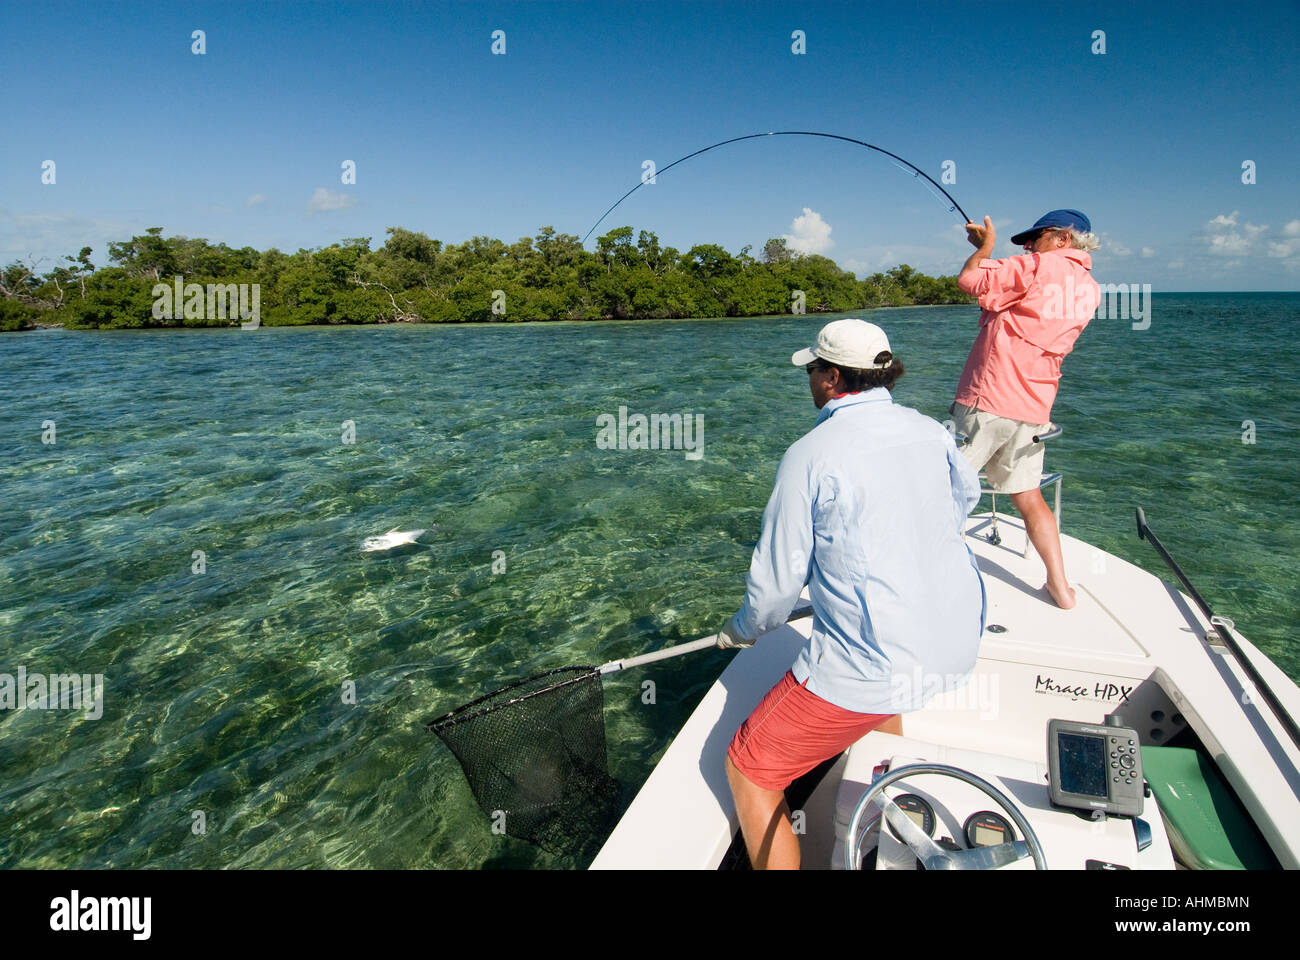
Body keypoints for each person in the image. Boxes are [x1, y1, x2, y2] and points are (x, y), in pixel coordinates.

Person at [717, 318, 986, 870]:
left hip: (873, 666)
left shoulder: (809, 454)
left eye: (813, 368)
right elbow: (965, 503)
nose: (810, 378)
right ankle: (881, 782)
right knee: (879, 696)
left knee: (750, 767)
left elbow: (774, 591)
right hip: (955, 648)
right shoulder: (930, 430)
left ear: (832, 377)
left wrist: (739, 631)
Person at [952, 210, 1101, 609]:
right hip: (1034, 407)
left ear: (1062, 238)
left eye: (1036, 237)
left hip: (987, 400)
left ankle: (930, 581)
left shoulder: (1033, 266)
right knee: (1030, 497)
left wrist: (984, 248)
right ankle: (1061, 587)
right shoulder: (1090, 288)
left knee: (943, 489)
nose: (1028, 245)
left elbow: (970, 281)